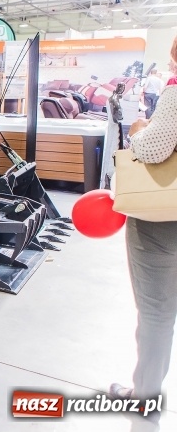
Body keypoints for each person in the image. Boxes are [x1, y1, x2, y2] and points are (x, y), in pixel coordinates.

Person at [109, 36, 177, 419]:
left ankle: (145, 398)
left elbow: (154, 149)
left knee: (156, 312)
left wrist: (139, 130)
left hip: (163, 219)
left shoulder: (175, 93)